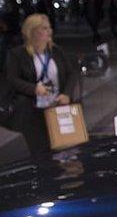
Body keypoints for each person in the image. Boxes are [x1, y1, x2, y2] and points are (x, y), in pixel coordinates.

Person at [2, 13, 78, 156]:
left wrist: (67, 94)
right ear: (32, 32)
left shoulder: (56, 51)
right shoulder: (17, 54)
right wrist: (34, 89)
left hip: (57, 109)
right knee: (42, 153)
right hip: (33, 112)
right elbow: (12, 79)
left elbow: (71, 74)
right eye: (44, 28)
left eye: (49, 27)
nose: (49, 31)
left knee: (65, 150)